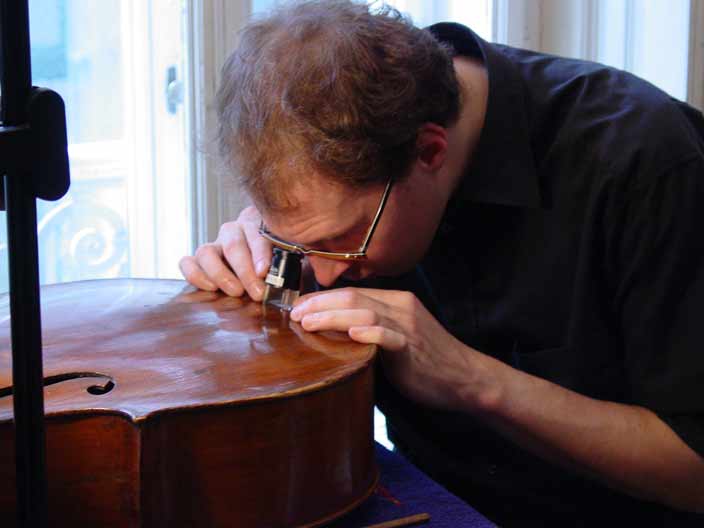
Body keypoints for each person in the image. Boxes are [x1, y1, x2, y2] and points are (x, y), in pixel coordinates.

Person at [179, 1, 704, 524]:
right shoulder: (351, 139)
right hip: (420, 497)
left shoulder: (647, 164)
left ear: (430, 151)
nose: (328, 271)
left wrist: (469, 378)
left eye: (344, 239)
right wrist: (255, 272)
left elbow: (695, 471)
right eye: (302, 244)